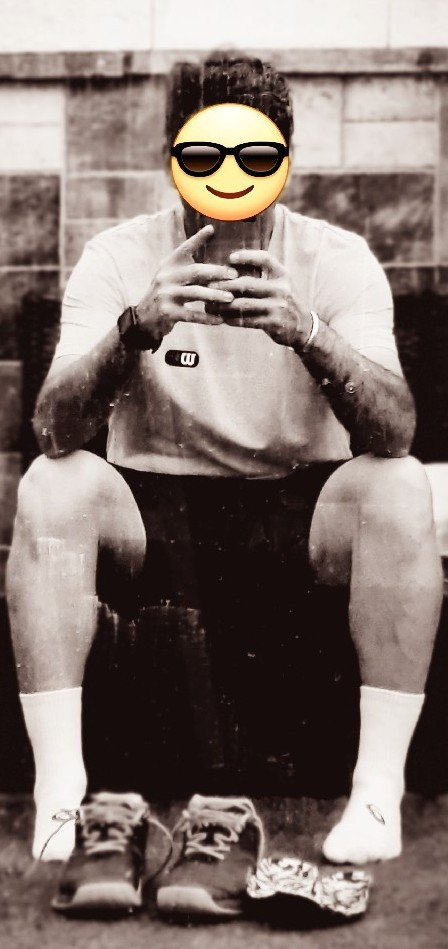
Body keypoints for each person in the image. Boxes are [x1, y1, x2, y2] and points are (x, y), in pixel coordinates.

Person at [6, 52, 443, 917]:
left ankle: (376, 793)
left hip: (298, 498)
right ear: (173, 157)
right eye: (204, 155)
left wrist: (309, 332)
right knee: (52, 486)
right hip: (154, 501)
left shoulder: (336, 258)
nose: (228, 175)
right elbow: (51, 429)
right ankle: (61, 794)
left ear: (285, 159)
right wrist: (136, 326)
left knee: (398, 487)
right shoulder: (119, 254)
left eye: (253, 154)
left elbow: (397, 431)